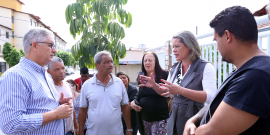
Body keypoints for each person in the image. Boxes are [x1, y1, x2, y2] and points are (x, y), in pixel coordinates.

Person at [184, 6, 270, 135]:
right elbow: (221, 103)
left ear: (227, 36)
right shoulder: (249, 70)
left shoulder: (254, 76)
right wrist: (192, 120)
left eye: (216, 39)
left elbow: (210, 132)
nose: (216, 46)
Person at [138, 31, 217, 135]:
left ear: (189, 46)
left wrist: (181, 91)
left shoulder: (205, 67)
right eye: (172, 47)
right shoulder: (175, 68)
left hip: (194, 118)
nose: (173, 50)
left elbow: (211, 96)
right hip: (175, 117)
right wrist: (154, 85)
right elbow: (167, 92)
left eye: (177, 46)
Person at [0, 28, 73, 134]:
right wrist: (55, 114)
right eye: (50, 45)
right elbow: (11, 124)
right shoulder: (15, 76)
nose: (54, 50)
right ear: (35, 46)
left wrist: (58, 104)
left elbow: (38, 107)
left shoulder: (46, 75)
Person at [78, 51, 132, 135]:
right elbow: (83, 110)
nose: (111, 65)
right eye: (106, 62)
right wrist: (81, 131)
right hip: (94, 132)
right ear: (97, 65)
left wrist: (129, 129)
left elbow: (125, 107)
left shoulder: (119, 83)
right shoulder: (87, 85)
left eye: (111, 62)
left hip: (116, 132)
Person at [130, 52, 169, 135]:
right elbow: (140, 94)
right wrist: (133, 102)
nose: (147, 62)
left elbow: (169, 93)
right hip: (145, 118)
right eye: (145, 60)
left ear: (156, 62)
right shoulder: (141, 76)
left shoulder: (165, 75)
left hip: (160, 118)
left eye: (150, 60)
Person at [47, 57, 79, 135]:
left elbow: (72, 108)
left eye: (63, 68)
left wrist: (76, 127)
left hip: (70, 131)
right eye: (57, 69)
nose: (62, 72)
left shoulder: (68, 86)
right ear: (48, 72)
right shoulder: (47, 88)